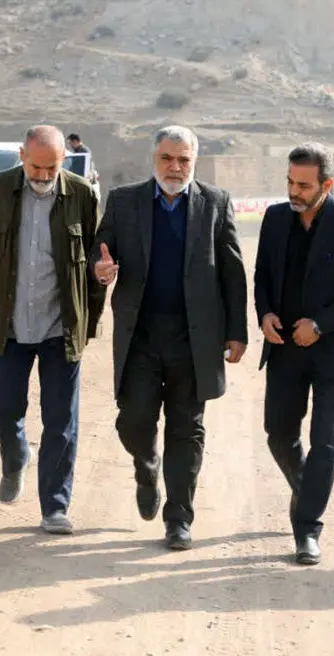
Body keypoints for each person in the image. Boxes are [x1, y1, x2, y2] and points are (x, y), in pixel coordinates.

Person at [90, 125, 248, 550]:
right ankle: (146, 465)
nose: (175, 167)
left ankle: (179, 518)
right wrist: (100, 269)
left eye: (183, 160)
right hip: (141, 336)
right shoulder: (124, 201)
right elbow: (100, 251)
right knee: (133, 420)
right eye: (167, 158)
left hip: (194, 339)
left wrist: (236, 332)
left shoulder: (215, 203)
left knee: (187, 429)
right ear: (154, 158)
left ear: (193, 161)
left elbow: (232, 272)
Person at [0, 125, 104, 535]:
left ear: (64, 162)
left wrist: (89, 323)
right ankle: (15, 456)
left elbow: (96, 264)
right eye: (36, 167)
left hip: (61, 327)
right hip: (9, 325)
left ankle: (55, 508)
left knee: (61, 421)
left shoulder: (82, 195)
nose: (43, 176)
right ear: (22, 155)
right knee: (2, 410)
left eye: (52, 168)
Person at [252, 142, 334, 565]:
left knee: (325, 443)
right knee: (277, 433)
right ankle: (307, 488)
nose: (294, 191)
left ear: (327, 184)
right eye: (290, 182)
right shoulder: (275, 218)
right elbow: (263, 274)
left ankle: (307, 528)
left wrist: (320, 324)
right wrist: (265, 313)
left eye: (304, 185)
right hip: (284, 348)